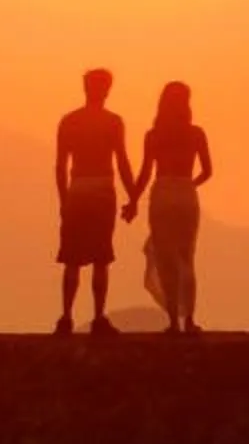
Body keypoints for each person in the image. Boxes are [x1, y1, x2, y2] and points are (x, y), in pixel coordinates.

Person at [126, 80, 214, 334]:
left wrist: (133, 201)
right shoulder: (196, 133)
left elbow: (144, 173)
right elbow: (208, 171)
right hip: (186, 194)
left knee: (166, 259)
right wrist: (189, 185)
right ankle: (190, 321)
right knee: (187, 258)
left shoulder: (153, 135)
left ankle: (174, 320)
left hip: (162, 193)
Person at [52, 68, 134, 334]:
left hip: (77, 189)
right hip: (101, 189)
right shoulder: (113, 122)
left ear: (85, 88)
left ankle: (66, 317)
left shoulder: (69, 121)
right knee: (101, 257)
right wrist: (133, 196)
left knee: (72, 258)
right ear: (107, 90)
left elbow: (60, 166)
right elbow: (121, 161)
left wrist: (64, 200)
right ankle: (98, 317)